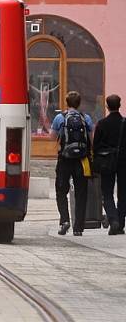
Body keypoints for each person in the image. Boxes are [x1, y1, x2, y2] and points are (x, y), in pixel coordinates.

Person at [50, 91, 94, 236]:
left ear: (67, 103)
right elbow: (91, 140)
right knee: (81, 192)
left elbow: (52, 137)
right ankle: (78, 227)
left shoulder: (59, 118)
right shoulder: (85, 118)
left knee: (61, 191)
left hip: (64, 159)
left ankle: (64, 220)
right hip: (82, 160)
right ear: (79, 103)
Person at [93, 94, 126, 235]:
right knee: (123, 194)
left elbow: (96, 146)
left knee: (107, 192)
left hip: (107, 162)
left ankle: (113, 220)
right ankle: (120, 223)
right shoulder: (125, 123)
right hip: (124, 161)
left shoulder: (101, 124)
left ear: (107, 106)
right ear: (119, 105)